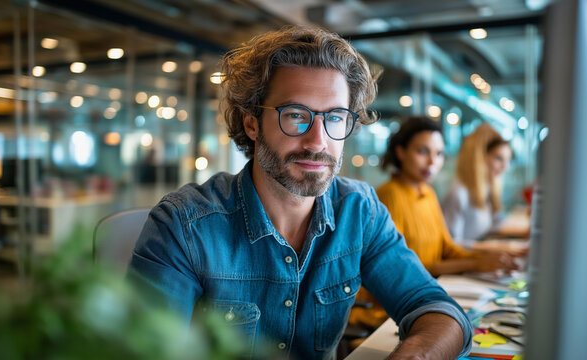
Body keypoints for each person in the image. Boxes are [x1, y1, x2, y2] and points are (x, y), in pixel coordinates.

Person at [128, 26, 472, 359]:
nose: (318, 142)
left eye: (335, 117)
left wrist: (417, 354)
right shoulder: (183, 225)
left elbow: (436, 308)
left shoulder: (359, 211)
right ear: (251, 123)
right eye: (295, 115)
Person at [349, 117, 518, 330]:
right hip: (389, 311)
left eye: (438, 154)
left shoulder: (427, 193)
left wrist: (489, 259)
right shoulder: (389, 196)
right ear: (401, 152)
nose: (432, 162)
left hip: (423, 298)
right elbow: (405, 272)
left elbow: (447, 249)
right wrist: (475, 263)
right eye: (423, 151)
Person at [442, 123, 513, 245]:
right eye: (498, 159)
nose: (505, 167)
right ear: (480, 158)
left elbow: (492, 228)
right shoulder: (459, 194)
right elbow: (452, 244)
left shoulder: (487, 189)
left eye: (507, 160)